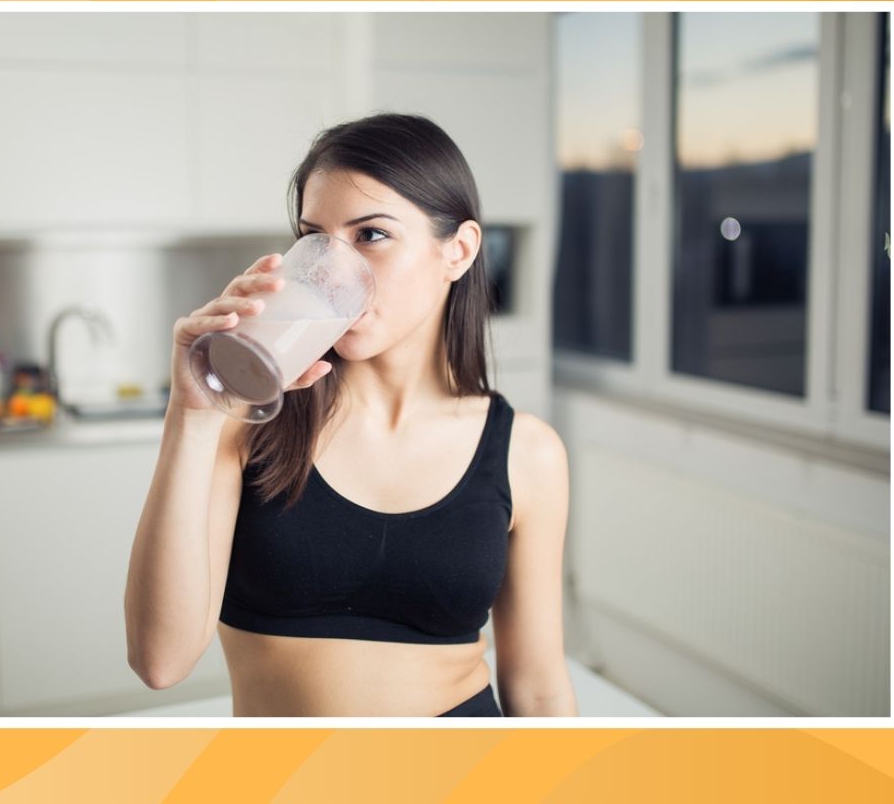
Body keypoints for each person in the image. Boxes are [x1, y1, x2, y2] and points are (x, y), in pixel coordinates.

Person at [124, 113, 578, 717]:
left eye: (371, 236)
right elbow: (161, 661)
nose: (337, 270)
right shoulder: (247, 425)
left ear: (459, 252)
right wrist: (192, 417)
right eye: (317, 240)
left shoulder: (527, 453)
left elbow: (540, 688)